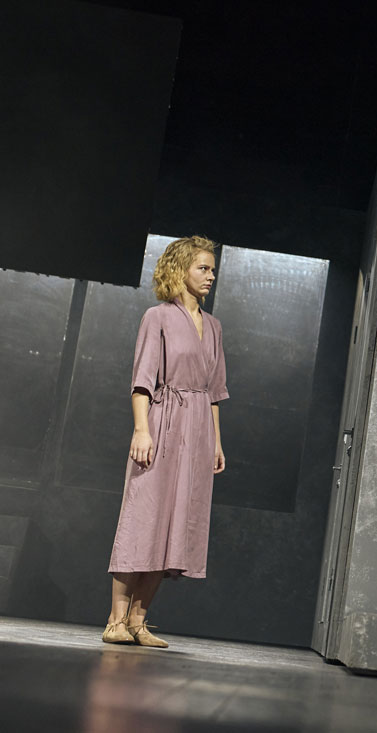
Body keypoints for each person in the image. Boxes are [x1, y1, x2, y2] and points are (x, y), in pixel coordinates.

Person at [102, 236, 229, 647]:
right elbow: (142, 381)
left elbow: (214, 392)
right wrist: (142, 430)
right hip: (163, 421)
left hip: (198, 429)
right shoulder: (157, 317)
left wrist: (216, 442)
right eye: (202, 268)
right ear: (180, 269)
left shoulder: (214, 327)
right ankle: (115, 619)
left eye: (212, 269)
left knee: (175, 523)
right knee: (145, 517)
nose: (210, 276)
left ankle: (139, 621)